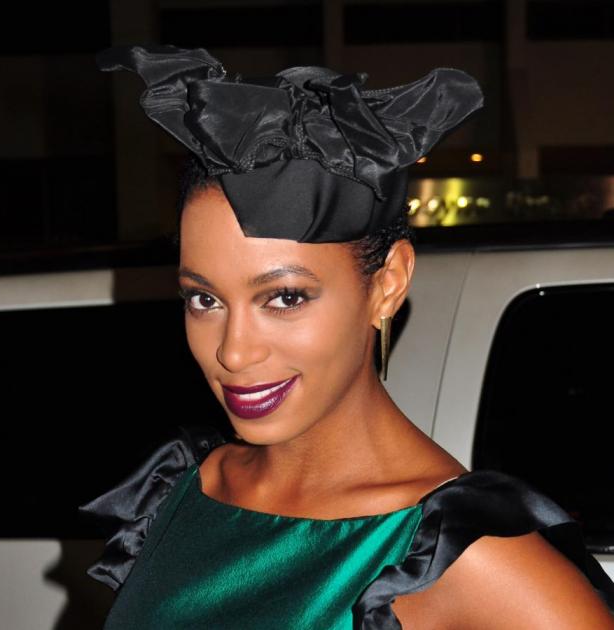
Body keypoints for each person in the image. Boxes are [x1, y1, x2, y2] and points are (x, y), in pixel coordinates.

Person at [79, 45, 614, 629]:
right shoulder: (184, 489)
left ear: (388, 284)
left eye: (285, 297)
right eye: (204, 299)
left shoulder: (460, 558)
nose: (233, 351)